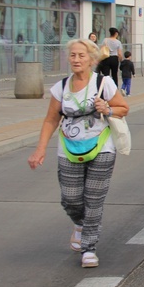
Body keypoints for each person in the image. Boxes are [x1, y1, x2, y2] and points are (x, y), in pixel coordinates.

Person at [28, 39, 129, 268]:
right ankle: (80, 224)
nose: (76, 59)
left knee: (93, 200)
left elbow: (123, 109)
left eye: (81, 56)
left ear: (91, 60)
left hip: (102, 147)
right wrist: (40, 149)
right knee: (71, 199)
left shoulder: (104, 83)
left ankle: (89, 248)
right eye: (73, 55)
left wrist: (108, 108)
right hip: (69, 148)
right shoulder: (61, 87)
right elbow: (51, 119)